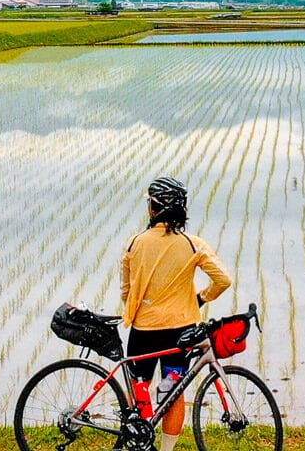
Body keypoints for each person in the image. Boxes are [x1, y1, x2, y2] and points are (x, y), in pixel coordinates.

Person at [121, 176, 233, 451]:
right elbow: (223, 280)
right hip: (179, 333)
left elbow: (126, 292)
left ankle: (138, 440)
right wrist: (200, 298)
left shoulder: (135, 243)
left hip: (143, 331)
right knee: (173, 393)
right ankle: (167, 449)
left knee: (139, 388)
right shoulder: (192, 244)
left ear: (153, 208)